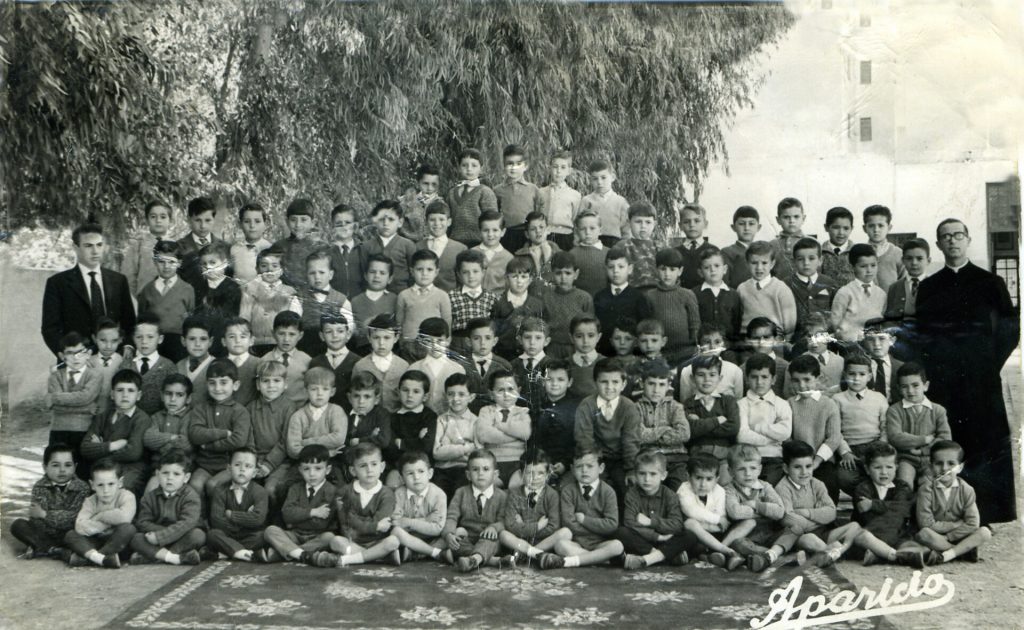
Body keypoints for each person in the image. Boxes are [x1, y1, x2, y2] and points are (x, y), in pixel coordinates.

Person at [914, 218, 1019, 524]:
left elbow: (1010, 328)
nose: (952, 240)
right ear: (938, 245)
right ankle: (946, 511)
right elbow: (922, 334)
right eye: (945, 237)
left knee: (986, 441)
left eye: (958, 235)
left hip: (982, 378)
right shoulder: (930, 287)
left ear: (968, 239)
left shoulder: (990, 283)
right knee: (950, 440)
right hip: (944, 379)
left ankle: (988, 510)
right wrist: (935, 366)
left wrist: (989, 362)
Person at [42, 222, 136, 357]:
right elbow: (50, 328)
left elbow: (129, 322)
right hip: (76, 359)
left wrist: (128, 345)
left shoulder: (118, 280)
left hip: (113, 357)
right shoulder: (58, 283)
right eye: (88, 246)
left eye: (99, 245)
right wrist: (67, 354)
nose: (95, 251)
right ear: (75, 248)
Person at [311, 443, 401, 568]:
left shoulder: (387, 493)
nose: (369, 470)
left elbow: (381, 525)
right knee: (336, 541)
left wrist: (364, 522)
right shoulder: (344, 492)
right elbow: (348, 522)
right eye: (363, 466)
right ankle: (379, 557)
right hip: (352, 541)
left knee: (393, 541)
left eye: (374, 464)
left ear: (382, 467)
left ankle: (346, 559)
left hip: (377, 541)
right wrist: (374, 526)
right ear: (353, 471)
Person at [774, 440, 861, 567]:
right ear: (786, 468)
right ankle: (830, 552)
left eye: (808, 466)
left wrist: (806, 513)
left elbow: (831, 512)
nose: (804, 472)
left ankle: (830, 552)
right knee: (810, 539)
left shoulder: (817, 484)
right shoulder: (782, 488)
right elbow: (788, 519)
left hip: (822, 531)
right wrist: (819, 517)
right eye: (797, 467)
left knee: (853, 526)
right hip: (799, 535)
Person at [574, 358, 640, 507]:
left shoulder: (628, 407)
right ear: (595, 382)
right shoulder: (586, 406)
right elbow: (584, 439)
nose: (609, 387)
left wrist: (631, 469)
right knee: (596, 489)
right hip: (595, 459)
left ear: (623, 384)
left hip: (621, 460)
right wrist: (593, 466)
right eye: (604, 382)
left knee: (627, 488)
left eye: (615, 382)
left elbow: (631, 441)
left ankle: (624, 519)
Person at [850, 442, 926, 568]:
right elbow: (868, 517)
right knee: (860, 539)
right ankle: (894, 555)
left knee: (913, 545)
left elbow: (903, 507)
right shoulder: (862, 488)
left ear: (896, 467)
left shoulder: (902, 487)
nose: (884, 472)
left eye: (889, 467)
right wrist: (893, 508)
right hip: (873, 533)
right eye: (877, 467)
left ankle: (880, 555)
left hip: (897, 533)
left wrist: (873, 505)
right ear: (867, 469)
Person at [545, 447, 625, 569]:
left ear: (601, 468)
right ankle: (600, 560)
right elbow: (568, 522)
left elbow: (612, 524)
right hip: (576, 543)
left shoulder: (608, 492)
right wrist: (598, 527)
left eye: (590, 466)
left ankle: (573, 561)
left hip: (600, 543)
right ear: (572, 469)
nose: (584, 471)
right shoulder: (568, 491)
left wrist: (584, 520)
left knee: (617, 545)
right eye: (579, 467)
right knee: (560, 545)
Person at [616, 450, 696, 570]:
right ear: (635, 474)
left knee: (690, 535)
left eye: (653, 474)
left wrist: (651, 522)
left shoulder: (670, 495)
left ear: (663, 475)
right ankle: (664, 556)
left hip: (667, 540)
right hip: (643, 541)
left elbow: (677, 524)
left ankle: (648, 559)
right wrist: (657, 537)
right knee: (621, 532)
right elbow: (629, 522)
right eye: (642, 473)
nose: (647, 479)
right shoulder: (632, 494)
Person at [915, 440, 992, 564]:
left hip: (961, 535)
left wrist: (949, 536)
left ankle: (946, 554)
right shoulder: (926, 490)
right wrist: (957, 524)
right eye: (938, 463)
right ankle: (960, 552)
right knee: (924, 534)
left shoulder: (966, 489)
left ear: (960, 467)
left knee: (985, 532)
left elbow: (973, 523)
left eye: (951, 463)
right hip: (935, 537)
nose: (944, 468)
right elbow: (926, 524)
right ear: (931, 466)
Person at [186, 358, 253, 500]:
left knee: (213, 485)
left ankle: (218, 513)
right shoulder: (201, 409)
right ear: (207, 384)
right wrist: (223, 433)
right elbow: (195, 434)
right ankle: (199, 514)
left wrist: (209, 445)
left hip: (230, 465)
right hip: (205, 464)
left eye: (223, 383)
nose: (217, 388)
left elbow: (239, 440)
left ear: (235, 385)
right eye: (212, 383)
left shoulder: (240, 411)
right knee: (195, 484)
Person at [259, 444, 339, 563]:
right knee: (270, 530)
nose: (312, 474)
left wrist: (297, 515)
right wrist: (313, 512)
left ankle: (286, 553)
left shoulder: (331, 490)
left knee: (330, 538)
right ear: (300, 470)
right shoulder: (295, 488)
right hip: (294, 535)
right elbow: (287, 514)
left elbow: (320, 524)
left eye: (318, 468)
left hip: (317, 536)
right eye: (306, 469)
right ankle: (303, 555)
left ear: (327, 470)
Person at [10, 443, 90, 559]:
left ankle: (41, 548)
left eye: (68, 465)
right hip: (45, 534)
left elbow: (75, 518)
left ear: (75, 466)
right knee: (18, 525)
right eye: (55, 465)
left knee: (79, 534)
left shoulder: (82, 488)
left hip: (70, 534)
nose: (62, 470)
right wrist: (59, 516)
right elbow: (36, 519)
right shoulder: (39, 486)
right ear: (45, 467)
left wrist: (44, 514)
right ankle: (54, 550)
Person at [128, 448, 205, 565]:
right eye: (165, 473)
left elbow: (187, 523)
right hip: (156, 537)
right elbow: (143, 522)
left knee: (198, 535)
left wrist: (161, 537)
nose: (170, 478)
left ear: (186, 478)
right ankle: (175, 558)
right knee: (136, 538)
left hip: (182, 536)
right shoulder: (149, 497)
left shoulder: (191, 496)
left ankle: (155, 557)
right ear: (157, 474)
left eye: (176, 474)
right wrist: (159, 534)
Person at [80, 369, 150, 496]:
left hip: (130, 468)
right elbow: (85, 448)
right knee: (92, 488)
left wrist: (100, 448)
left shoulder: (141, 419)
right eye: (120, 390)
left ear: (139, 395)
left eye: (131, 390)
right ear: (112, 394)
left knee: (122, 490)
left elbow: (133, 453)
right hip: (103, 468)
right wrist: (113, 445)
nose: (125, 395)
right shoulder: (103, 416)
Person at [439, 448, 509, 572]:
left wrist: (494, 527)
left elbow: (504, 520)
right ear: (468, 475)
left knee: (492, 541)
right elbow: (451, 517)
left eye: (486, 469)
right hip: (468, 537)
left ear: (495, 474)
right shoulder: (461, 493)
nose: (480, 473)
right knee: (456, 542)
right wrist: (448, 534)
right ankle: (489, 560)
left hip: (490, 538)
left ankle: (473, 560)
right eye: (475, 469)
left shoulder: (502, 496)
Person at [497, 449, 570, 567]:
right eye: (529, 473)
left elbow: (553, 526)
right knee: (503, 534)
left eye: (540, 473)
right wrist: (537, 526)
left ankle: (528, 553)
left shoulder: (552, 495)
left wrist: (523, 525)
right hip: (519, 542)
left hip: (544, 542)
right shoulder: (514, 494)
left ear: (547, 474)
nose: (534, 478)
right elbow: (510, 526)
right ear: (521, 474)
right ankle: (537, 555)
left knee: (565, 532)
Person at [722, 445, 786, 572]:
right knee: (739, 542)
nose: (748, 474)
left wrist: (755, 505)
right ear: (730, 471)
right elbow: (735, 512)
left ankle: (752, 557)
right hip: (746, 537)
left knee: (794, 529)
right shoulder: (729, 490)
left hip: (768, 534)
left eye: (753, 468)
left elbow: (780, 512)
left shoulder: (765, 487)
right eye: (741, 469)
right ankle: (775, 556)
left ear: (760, 469)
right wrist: (764, 512)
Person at [786, 355, 842, 502]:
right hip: (796, 460)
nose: (801, 386)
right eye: (796, 380)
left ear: (817, 379)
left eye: (807, 380)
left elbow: (834, 438)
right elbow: (787, 437)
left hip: (821, 460)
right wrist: (799, 460)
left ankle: (828, 514)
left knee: (829, 484)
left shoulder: (828, 404)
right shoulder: (789, 404)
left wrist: (816, 462)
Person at [886, 362, 951, 487]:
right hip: (905, 459)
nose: (910, 391)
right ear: (899, 388)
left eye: (915, 385)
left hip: (931, 459)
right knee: (904, 483)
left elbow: (945, 439)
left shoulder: (938, 410)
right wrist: (925, 439)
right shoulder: (894, 410)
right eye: (904, 387)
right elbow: (895, 437)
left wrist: (923, 451)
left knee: (930, 485)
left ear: (925, 386)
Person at [677, 452, 745, 571]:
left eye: (709, 479)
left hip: (716, 535)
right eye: (698, 478)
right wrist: (717, 520)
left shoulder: (719, 491)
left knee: (748, 523)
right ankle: (725, 551)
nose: (703, 484)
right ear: (688, 476)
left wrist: (717, 521)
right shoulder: (684, 489)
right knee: (690, 523)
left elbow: (721, 521)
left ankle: (712, 555)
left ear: (716, 479)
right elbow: (691, 511)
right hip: (695, 536)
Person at [63, 458, 137, 567]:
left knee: (128, 529)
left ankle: (93, 558)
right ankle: (103, 559)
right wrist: (110, 522)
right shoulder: (90, 501)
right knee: (71, 535)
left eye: (111, 484)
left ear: (120, 483)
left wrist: (100, 516)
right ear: (92, 485)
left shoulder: (127, 496)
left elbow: (125, 517)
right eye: (100, 485)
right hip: (95, 540)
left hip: (116, 542)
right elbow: (80, 526)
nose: (106, 490)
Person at [834, 354, 889, 495]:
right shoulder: (837, 399)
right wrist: (845, 452)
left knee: (880, 474)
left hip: (875, 446)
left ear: (869, 376)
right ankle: (863, 497)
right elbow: (835, 430)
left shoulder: (878, 398)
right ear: (845, 375)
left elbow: (885, 425)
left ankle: (870, 499)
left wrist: (881, 446)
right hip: (851, 449)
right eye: (852, 374)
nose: (856, 378)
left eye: (862, 374)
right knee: (844, 478)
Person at [681, 354, 740, 481]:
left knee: (725, 483)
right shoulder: (688, 404)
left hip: (724, 457)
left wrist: (700, 424)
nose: (707, 379)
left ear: (720, 378)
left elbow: (733, 428)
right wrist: (717, 420)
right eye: (701, 375)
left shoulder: (728, 401)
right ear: (692, 378)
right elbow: (690, 431)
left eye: (712, 375)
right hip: (698, 457)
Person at [736, 353, 792, 486]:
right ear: (747, 379)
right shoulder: (741, 404)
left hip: (774, 458)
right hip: (748, 459)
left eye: (764, 377)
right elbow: (741, 435)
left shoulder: (782, 404)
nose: (759, 382)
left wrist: (758, 428)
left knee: (770, 487)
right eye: (754, 377)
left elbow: (785, 432)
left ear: (773, 379)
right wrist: (770, 438)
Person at [206, 446, 270, 562]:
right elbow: (217, 520)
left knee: (264, 535)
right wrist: (245, 519)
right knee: (213, 534)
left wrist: (231, 515)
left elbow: (258, 519)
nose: (242, 469)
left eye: (248, 466)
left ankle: (228, 552)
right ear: (229, 469)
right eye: (237, 465)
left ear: (254, 472)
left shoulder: (260, 492)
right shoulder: (220, 490)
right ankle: (245, 553)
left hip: (250, 535)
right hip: (227, 535)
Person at [635, 359, 690, 490]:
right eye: (651, 384)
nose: (656, 390)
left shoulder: (675, 407)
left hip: (676, 459)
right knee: (651, 490)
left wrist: (652, 434)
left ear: (668, 385)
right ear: (642, 383)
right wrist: (665, 429)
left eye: (661, 384)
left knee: (680, 489)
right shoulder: (635, 408)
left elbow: (684, 434)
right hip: (649, 460)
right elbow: (639, 435)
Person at [246, 361, 296, 505]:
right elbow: (248, 439)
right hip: (255, 460)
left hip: (280, 462)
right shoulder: (250, 408)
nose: (271, 385)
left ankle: (275, 517)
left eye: (276, 381)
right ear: (258, 384)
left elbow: (285, 441)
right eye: (265, 381)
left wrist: (268, 464)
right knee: (246, 488)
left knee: (270, 489)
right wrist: (253, 461)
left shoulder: (289, 407)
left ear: (285, 384)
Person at [137, 240, 195, 362]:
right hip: (153, 344)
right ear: (155, 262)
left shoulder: (187, 289)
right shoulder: (147, 290)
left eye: (171, 262)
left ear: (179, 263)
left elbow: (191, 319)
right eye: (161, 262)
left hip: (178, 346)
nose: (166, 266)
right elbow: (141, 319)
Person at [45, 332, 102, 455]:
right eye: (70, 353)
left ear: (88, 354)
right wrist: (88, 408)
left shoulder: (94, 375)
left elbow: (85, 397)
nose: (76, 358)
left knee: (82, 464)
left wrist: (55, 398)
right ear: (62, 356)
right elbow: (54, 406)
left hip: (84, 430)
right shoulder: (55, 376)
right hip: (58, 430)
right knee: (58, 461)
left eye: (80, 352)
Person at [284, 367, 348, 476]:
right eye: (314, 389)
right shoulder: (298, 416)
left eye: (325, 389)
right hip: (304, 465)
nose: (319, 393)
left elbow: (338, 439)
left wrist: (305, 443)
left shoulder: (336, 411)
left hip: (331, 463)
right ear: (306, 391)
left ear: (332, 392)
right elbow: (293, 450)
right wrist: (326, 453)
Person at [474, 370, 531, 488]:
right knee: (491, 487)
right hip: (492, 462)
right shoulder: (486, 411)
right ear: (491, 394)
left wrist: (500, 426)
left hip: (518, 462)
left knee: (517, 487)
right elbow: (484, 435)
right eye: (500, 390)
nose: (506, 394)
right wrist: (515, 435)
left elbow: (525, 432)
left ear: (518, 391)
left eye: (511, 389)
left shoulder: (523, 411)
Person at [291, 250, 353, 359]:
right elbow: (292, 328)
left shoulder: (342, 300)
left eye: (321, 272)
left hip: (334, 351)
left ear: (331, 274)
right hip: (306, 350)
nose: (317, 277)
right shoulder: (299, 299)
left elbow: (349, 331)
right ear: (306, 275)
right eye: (312, 273)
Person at [239, 246, 297, 356]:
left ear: (282, 270)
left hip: (280, 344)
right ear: (257, 269)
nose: (269, 270)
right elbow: (244, 318)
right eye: (264, 266)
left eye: (274, 266)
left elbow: (293, 323)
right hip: (255, 344)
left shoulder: (290, 292)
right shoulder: (249, 290)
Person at [646, 247, 701, 361]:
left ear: (680, 271)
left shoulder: (687, 294)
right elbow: (647, 326)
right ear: (656, 270)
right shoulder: (649, 296)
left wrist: (695, 346)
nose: (667, 274)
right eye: (663, 269)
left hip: (685, 351)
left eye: (672, 269)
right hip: (659, 352)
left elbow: (695, 325)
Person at [529, 359, 579, 487]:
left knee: (566, 487)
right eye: (549, 379)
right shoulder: (535, 407)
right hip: (540, 463)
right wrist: (543, 462)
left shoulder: (578, 407)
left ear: (570, 382)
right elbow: (533, 439)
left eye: (560, 380)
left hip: (570, 463)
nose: (554, 384)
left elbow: (580, 441)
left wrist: (565, 463)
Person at [390, 451, 447, 562]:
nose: (416, 477)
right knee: (395, 532)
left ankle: (416, 553)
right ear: (402, 478)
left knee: (453, 534)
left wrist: (408, 522)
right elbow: (396, 523)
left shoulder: (438, 494)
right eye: (410, 473)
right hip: (408, 538)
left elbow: (437, 529)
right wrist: (426, 520)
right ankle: (434, 553)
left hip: (432, 538)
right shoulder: (399, 494)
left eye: (421, 471)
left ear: (430, 473)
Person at [593, 249, 651, 356]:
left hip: (631, 353)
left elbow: (644, 327)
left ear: (630, 269)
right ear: (606, 269)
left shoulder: (638, 297)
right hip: (604, 352)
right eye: (611, 267)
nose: (615, 271)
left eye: (621, 267)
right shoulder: (599, 297)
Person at [142, 374, 194, 493]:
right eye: (168, 394)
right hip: (159, 469)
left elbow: (186, 444)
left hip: (182, 469)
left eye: (179, 395)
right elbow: (148, 438)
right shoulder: (157, 417)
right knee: (151, 490)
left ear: (188, 398)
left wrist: (161, 445)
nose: (173, 399)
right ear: (161, 395)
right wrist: (172, 437)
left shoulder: (190, 416)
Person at [396, 250, 452, 359]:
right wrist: (402, 343)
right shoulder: (404, 295)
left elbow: (447, 322)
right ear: (412, 271)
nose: (424, 273)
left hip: (434, 345)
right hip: (410, 345)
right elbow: (399, 323)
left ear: (436, 272)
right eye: (419, 269)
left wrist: (446, 343)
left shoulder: (442, 295)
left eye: (429, 269)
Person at [737, 241, 798, 340]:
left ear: (772, 264)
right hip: (748, 340)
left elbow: (790, 326)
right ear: (747, 263)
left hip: (774, 340)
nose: (759, 267)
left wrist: (785, 342)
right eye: (754, 263)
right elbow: (738, 318)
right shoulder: (742, 288)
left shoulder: (781, 289)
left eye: (764, 263)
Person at [432, 373, 479, 499]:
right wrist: (466, 448)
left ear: (471, 397)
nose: (455, 399)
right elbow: (436, 453)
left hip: (465, 470)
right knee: (438, 494)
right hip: (441, 470)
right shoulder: (441, 420)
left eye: (461, 394)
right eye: (451, 394)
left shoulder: (476, 421)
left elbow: (477, 451)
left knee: (461, 494)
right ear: (445, 396)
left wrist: (447, 448)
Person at [387, 370, 438, 486]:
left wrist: (401, 443)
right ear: (398, 392)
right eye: (405, 390)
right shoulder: (392, 418)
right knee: (392, 484)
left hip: (422, 467)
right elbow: (390, 450)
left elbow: (427, 446)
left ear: (425, 396)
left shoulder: (429, 417)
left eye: (416, 391)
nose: (410, 395)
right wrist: (417, 440)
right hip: (398, 467)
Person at [540, 252, 594, 360]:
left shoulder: (584, 298)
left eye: (568, 273)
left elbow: (590, 327)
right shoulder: (546, 298)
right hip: (552, 347)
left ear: (576, 274)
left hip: (576, 346)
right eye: (558, 273)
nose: (563, 278)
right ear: (552, 274)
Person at [193, 241, 242, 356]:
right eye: (204, 264)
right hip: (202, 337)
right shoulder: (198, 286)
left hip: (222, 337)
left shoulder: (232, 287)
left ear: (224, 263)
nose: (208, 267)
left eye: (212, 262)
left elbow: (230, 316)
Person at [353, 313, 409, 413]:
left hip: (397, 417)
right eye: (376, 337)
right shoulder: (360, 366)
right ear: (369, 338)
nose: (381, 343)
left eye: (387, 338)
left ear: (396, 338)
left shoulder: (404, 366)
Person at [408, 318, 465, 414]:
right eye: (428, 341)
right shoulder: (414, 368)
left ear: (448, 340)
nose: (434, 346)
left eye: (439, 340)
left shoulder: (458, 369)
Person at [830, 244, 886, 342]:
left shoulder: (881, 294)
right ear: (852, 267)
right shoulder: (845, 292)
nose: (869, 270)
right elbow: (835, 323)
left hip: (873, 343)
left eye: (873, 265)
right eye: (863, 266)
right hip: (849, 343)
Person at [360, 200, 417, 294]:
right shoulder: (366, 247)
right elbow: (363, 274)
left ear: (400, 222)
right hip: (374, 295)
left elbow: (414, 274)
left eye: (391, 219)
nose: (386, 223)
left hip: (401, 295)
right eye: (381, 219)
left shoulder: (408, 245)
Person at [787, 238, 838, 342]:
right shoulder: (786, 285)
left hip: (824, 339)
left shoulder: (830, 284)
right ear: (793, 262)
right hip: (796, 340)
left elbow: (836, 313)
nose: (806, 263)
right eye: (800, 259)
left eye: (811, 258)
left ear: (820, 260)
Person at [494, 144, 543, 253]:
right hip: (507, 234)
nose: (514, 167)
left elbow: (538, 214)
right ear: (504, 165)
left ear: (526, 166)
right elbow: (495, 215)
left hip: (528, 234)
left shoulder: (533, 189)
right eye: (509, 163)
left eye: (518, 164)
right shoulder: (498, 190)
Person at [308, 312, 361, 411]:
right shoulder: (315, 362)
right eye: (329, 332)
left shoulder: (358, 362)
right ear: (322, 336)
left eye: (340, 331)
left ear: (348, 334)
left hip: (349, 413)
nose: (335, 335)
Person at [447, 148, 499, 247]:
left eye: (474, 165)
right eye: (464, 165)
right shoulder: (452, 192)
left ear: (481, 169)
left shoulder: (485, 192)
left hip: (478, 242)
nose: (469, 169)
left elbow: (492, 220)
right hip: (455, 241)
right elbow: (447, 219)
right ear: (459, 168)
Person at [259, 310, 312, 405]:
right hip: (271, 409)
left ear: (300, 335)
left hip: (298, 409)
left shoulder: (307, 360)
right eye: (281, 333)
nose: (286, 339)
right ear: (273, 333)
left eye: (292, 334)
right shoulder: (264, 360)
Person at [349, 254, 398, 355]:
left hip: (388, 349)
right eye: (372, 272)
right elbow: (353, 330)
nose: (377, 276)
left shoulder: (395, 299)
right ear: (365, 276)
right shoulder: (355, 301)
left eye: (382, 273)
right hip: (362, 349)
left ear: (390, 278)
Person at [122, 200, 173, 296]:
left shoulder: (177, 246)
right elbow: (128, 278)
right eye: (153, 217)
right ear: (147, 220)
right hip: (144, 300)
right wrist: (133, 300)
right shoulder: (138, 245)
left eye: (163, 217)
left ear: (170, 220)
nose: (158, 220)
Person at [271, 198, 325, 290]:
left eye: (303, 220)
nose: (298, 225)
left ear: (313, 223)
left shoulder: (322, 248)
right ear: (287, 222)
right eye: (293, 220)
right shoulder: (278, 247)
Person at [464, 318, 513, 413]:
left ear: (495, 341)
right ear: (468, 341)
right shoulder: (460, 365)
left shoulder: (504, 366)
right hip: (467, 416)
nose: (482, 343)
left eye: (487, 338)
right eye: (476, 338)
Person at [416, 199, 467, 292]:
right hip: (423, 297)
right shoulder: (417, 247)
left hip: (450, 297)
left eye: (441, 219)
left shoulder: (460, 249)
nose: (437, 223)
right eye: (432, 220)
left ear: (449, 222)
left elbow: (463, 281)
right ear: (426, 222)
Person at [695, 247, 739, 349]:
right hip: (704, 346)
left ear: (725, 269)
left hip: (728, 346)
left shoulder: (733, 294)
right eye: (707, 267)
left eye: (717, 266)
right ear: (700, 272)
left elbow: (736, 322)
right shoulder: (694, 294)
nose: (712, 270)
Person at [579, 159, 630, 247]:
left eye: (603, 178)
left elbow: (627, 229)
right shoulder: (586, 201)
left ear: (612, 177)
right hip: (591, 243)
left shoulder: (621, 202)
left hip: (615, 244)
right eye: (595, 179)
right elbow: (579, 225)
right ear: (590, 180)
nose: (599, 182)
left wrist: (624, 247)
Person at [538, 149, 581, 251]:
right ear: (550, 169)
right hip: (545, 235)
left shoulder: (575, 195)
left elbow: (576, 219)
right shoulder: (540, 192)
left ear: (569, 171)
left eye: (563, 167)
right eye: (555, 167)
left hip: (565, 237)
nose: (558, 171)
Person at [176, 196, 222, 290]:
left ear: (214, 219)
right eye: (197, 220)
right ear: (189, 220)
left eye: (207, 220)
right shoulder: (178, 247)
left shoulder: (224, 246)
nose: (203, 226)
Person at [613, 202, 660, 290]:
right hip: (631, 292)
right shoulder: (622, 246)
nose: (643, 226)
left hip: (656, 292)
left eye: (648, 222)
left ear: (654, 224)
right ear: (629, 222)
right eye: (638, 222)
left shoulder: (660, 247)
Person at [511, 317, 552, 413]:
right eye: (527, 337)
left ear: (546, 341)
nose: (532, 342)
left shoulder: (552, 365)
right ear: (520, 339)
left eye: (538, 338)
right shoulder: (512, 365)